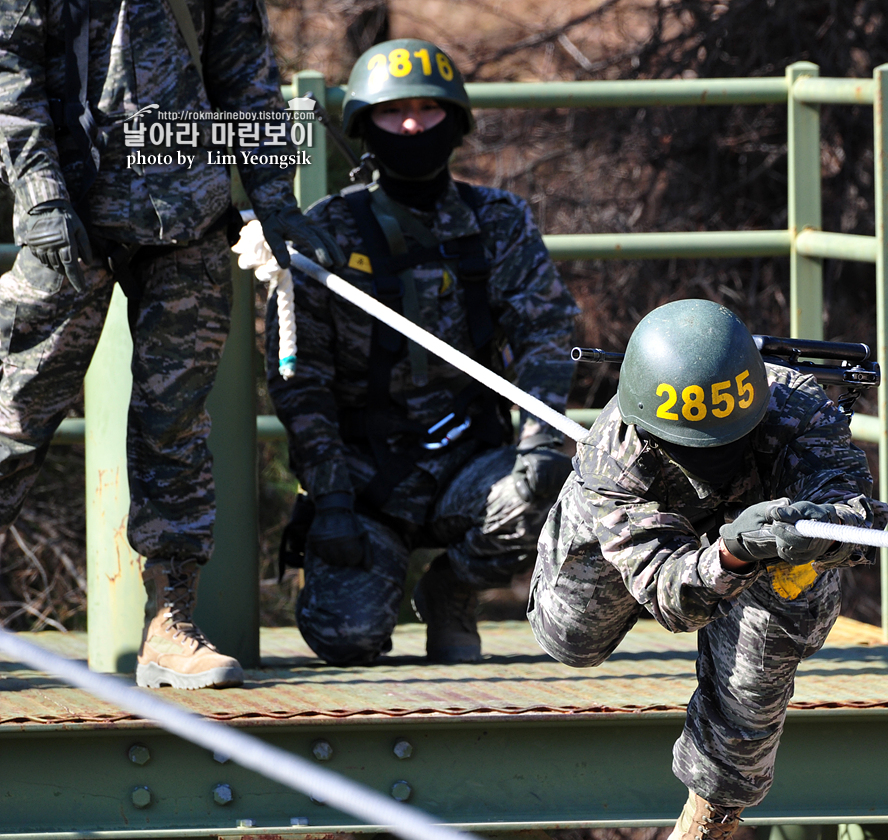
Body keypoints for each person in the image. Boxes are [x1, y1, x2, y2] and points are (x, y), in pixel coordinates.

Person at [0, 0, 340, 688]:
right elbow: (9, 64)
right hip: (72, 213)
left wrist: (275, 197)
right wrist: (39, 195)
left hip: (190, 214)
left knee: (177, 427)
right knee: (15, 413)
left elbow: (245, 70)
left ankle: (172, 624)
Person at [529, 299, 888, 840]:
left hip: (763, 548)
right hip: (662, 541)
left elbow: (858, 520)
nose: (713, 461)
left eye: (727, 442)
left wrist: (810, 528)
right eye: (698, 448)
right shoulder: (615, 456)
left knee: (779, 635)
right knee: (570, 637)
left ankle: (704, 835)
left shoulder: (798, 409)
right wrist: (728, 555)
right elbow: (674, 598)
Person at [265, 39, 578, 666]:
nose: (411, 125)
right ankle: (357, 581)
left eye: (427, 110)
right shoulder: (322, 236)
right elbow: (302, 388)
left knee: (558, 491)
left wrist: (541, 443)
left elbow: (546, 334)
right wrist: (328, 500)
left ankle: (451, 593)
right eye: (393, 112)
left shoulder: (500, 221)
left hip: (471, 465)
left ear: (455, 121)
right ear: (363, 125)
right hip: (366, 483)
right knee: (346, 638)